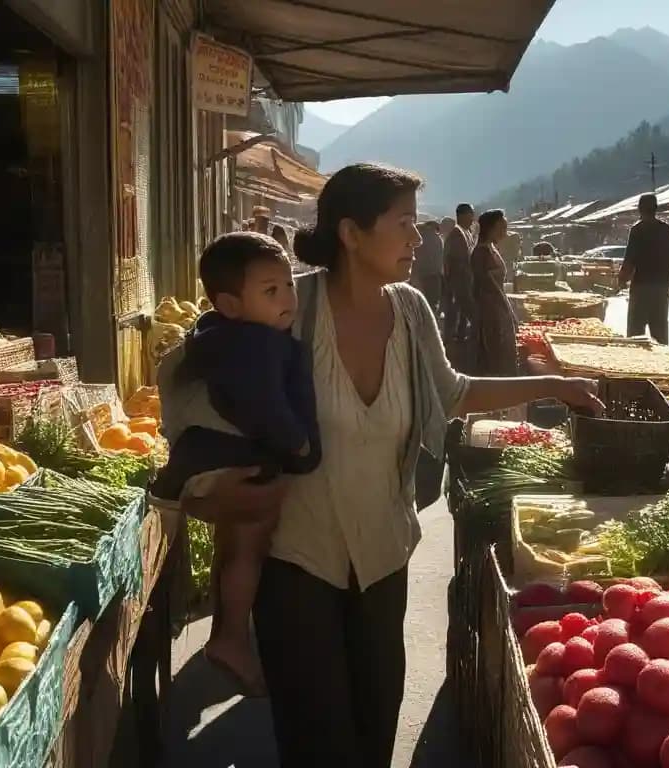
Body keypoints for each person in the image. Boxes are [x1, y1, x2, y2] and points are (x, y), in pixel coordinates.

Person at [166, 163, 602, 767]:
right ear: (351, 233)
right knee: (318, 745)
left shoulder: (411, 310)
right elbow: (196, 374)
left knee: (375, 732)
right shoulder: (289, 306)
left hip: (383, 559)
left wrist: (554, 384)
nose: (418, 238)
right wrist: (205, 489)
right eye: (403, 223)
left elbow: (453, 392)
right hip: (297, 563)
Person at [152, 232, 320, 695]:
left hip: (206, 460)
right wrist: (299, 446)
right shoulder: (255, 346)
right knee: (250, 542)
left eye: (289, 285)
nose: (287, 298)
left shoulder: (222, 334)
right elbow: (264, 406)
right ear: (230, 304)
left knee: (234, 544)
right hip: (230, 461)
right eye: (271, 291)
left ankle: (228, 632)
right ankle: (230, 639)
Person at [618, 193, 669, 343]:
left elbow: (630, 258)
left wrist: (622, 280)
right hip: (662, 286)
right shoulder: (667, 230)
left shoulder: (638, 229)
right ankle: (662, 356)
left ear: (639, 209)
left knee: (635, 331)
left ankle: (637, 357)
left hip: (641, 286)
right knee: (659, 329)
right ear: (656, 208)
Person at [470, 210, 519, 376]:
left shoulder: (491, 248)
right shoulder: (480, 253)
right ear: (491, 228)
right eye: (502, 227)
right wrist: (508, 310)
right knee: (494, 351)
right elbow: (488, 286)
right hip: (490, 309)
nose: (505, 232)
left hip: (498, 307)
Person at [442, 203, 477, 346]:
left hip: (465, 281)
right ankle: (450, 344)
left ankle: (459, 341)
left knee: (461, 315)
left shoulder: (466, 232)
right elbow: (457, 262)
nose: (472, 219)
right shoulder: (457, 234)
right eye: (470, 215)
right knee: (464, 313)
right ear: (461, 216)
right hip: (459, 282)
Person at [410, 220, 444, 314]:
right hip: (433, 276)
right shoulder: (437, 239)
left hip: (418, 276)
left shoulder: (416, 238)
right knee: (431, 305)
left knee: (418, 305)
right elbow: (439, 260)